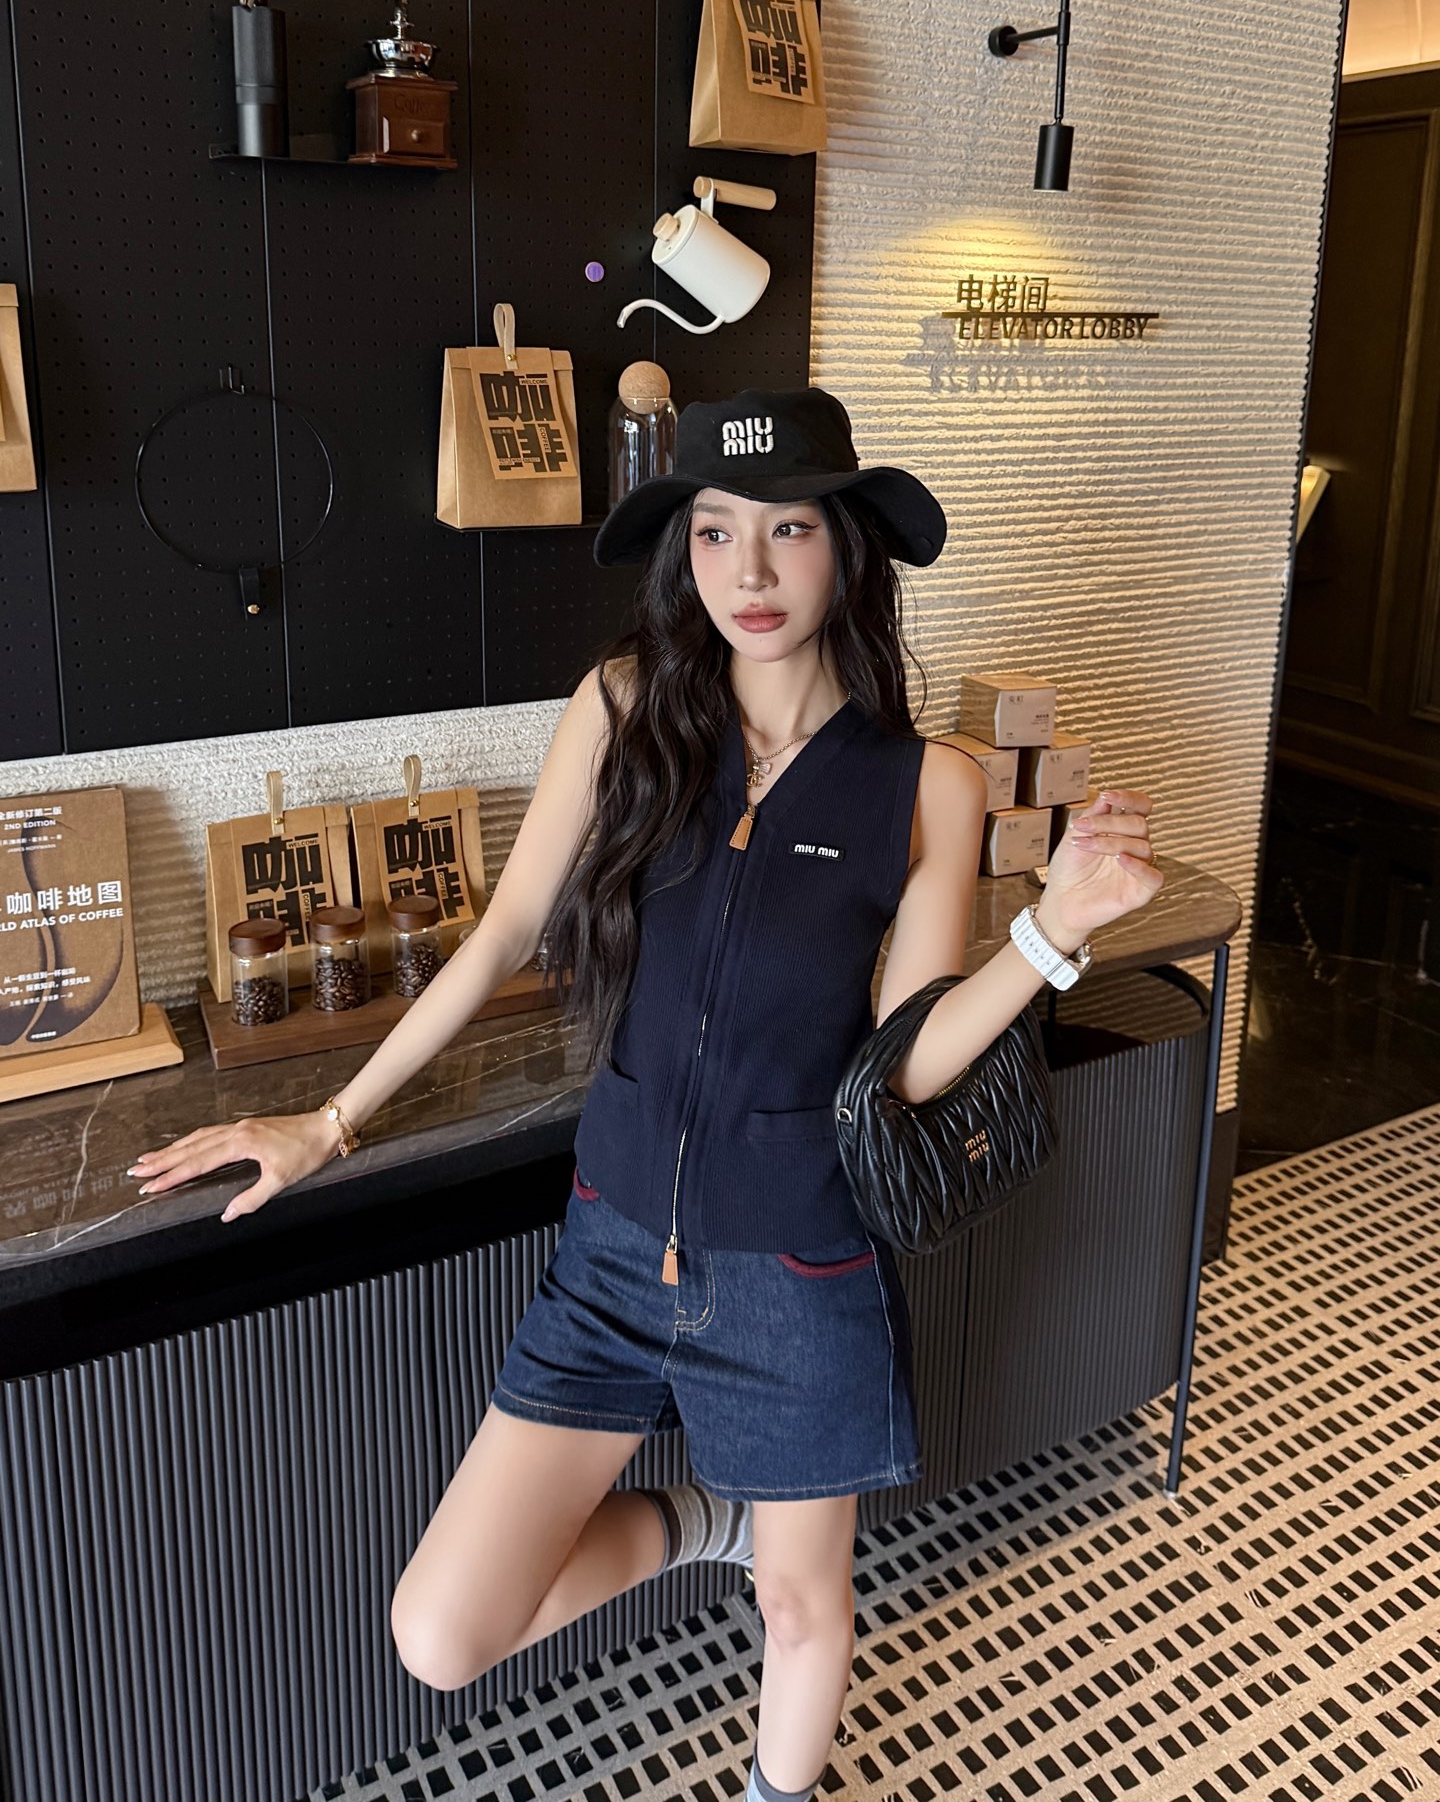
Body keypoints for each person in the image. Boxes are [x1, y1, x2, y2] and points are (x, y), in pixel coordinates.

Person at [130, 386, 1162, 1802]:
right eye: (716, 530)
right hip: (614, 1250)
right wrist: (329, 1122)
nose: (750, 570)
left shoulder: (930, 783)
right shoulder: (623, 709)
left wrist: (1051, 931)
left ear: (847, 545)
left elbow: (907, 1061)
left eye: (790, 528)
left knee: (801, 1611)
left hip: (799, 1264)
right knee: (442, 1632)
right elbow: (503, 932)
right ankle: (704, 1520)